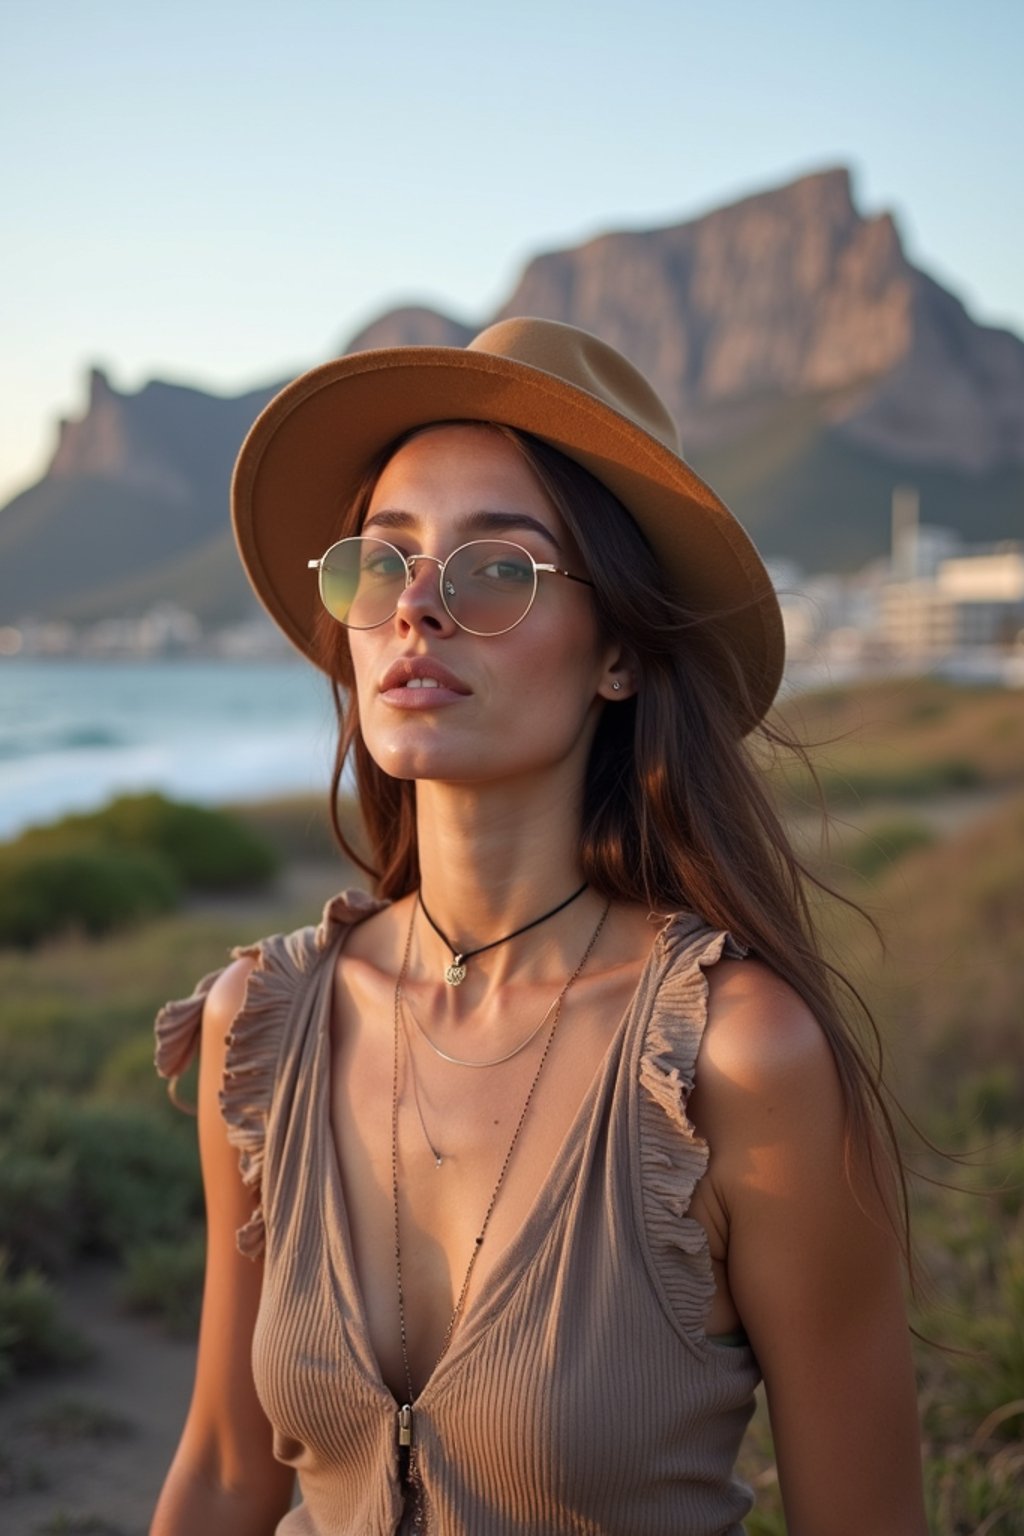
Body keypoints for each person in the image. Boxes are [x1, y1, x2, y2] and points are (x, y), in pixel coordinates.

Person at [151, 318, 927, 1535]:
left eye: (496, 570)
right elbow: (221, 1474)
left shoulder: (734, 1063)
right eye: (383, 561)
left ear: (618, 651)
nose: (416, 611)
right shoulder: (264, 1027)